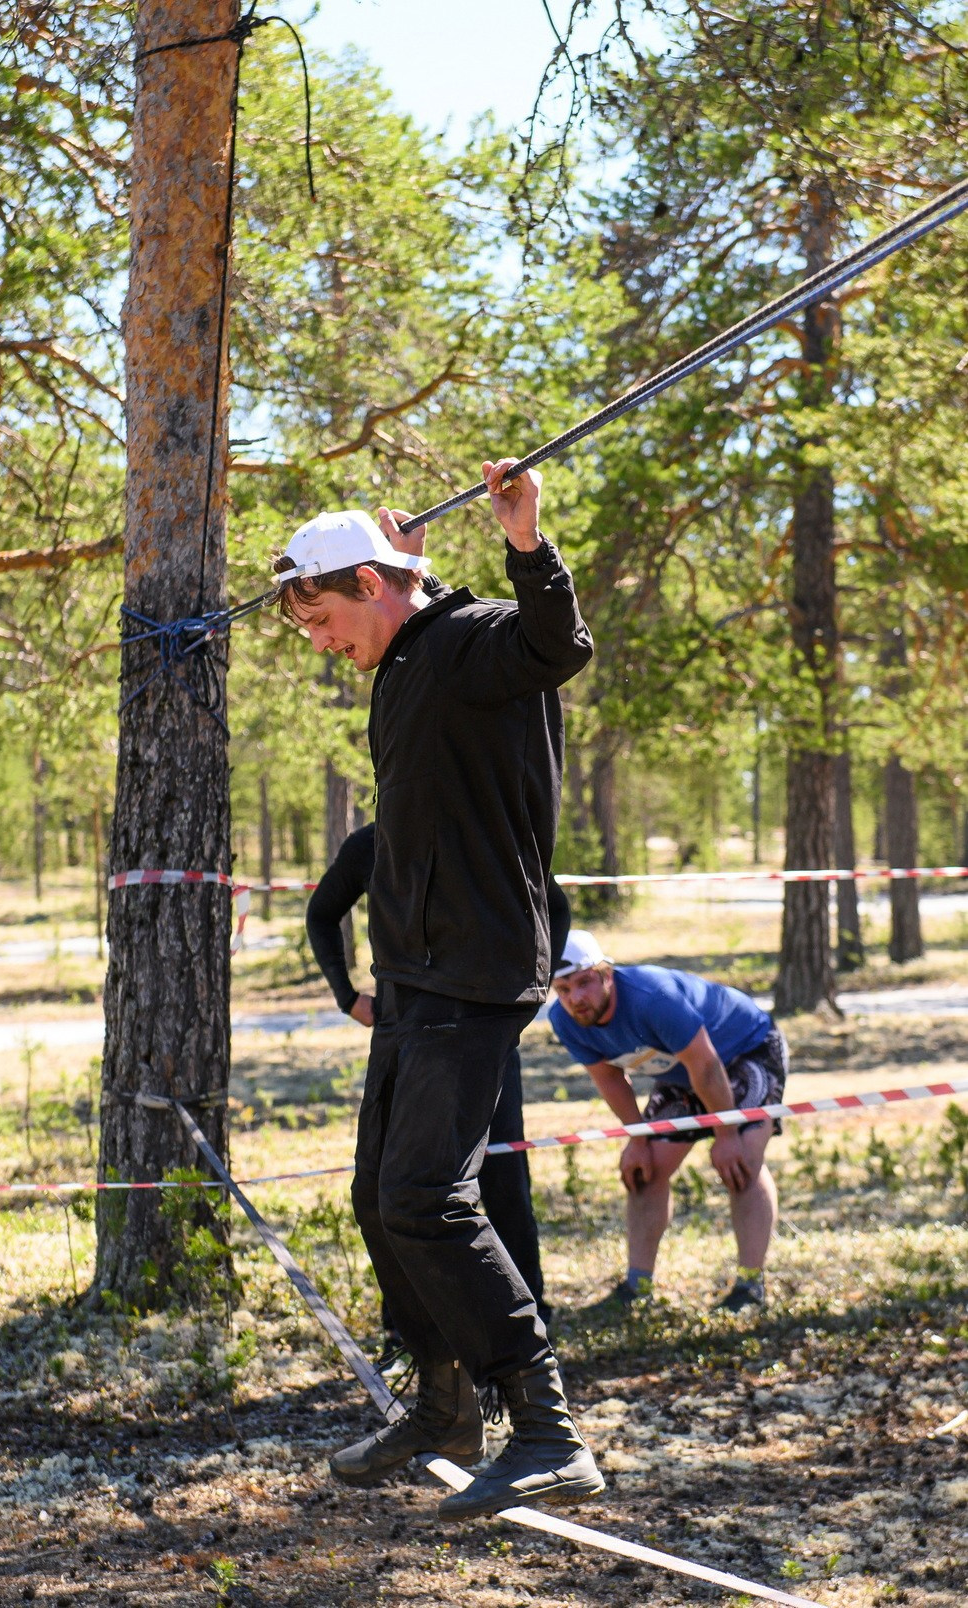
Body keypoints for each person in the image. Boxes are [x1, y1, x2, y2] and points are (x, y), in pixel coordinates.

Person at [272, 460, 602, 1520]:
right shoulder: (408, 658)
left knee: (427, 1196)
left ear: (369, 585)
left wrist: (525, 540)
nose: (319, 643)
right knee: (382, 1199)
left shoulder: (469, 641)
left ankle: (548, 1432)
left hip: (478, 963)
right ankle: (445, 1403)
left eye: (322, 616)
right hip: (416, 971)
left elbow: (555, 646)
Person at [306, 820, 571, 1336]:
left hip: (487, 1032)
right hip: (403, 1038)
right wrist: (346, 996)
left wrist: (529, 992)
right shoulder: (371, 844)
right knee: (392, 1181)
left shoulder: (491, 829)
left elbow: (555, 909)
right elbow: (321, 914)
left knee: (503, 1178)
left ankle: (528, 1316)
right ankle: (409, 1324)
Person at [548, 930, 790, 1318]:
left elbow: (707, 1065)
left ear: (607, 974)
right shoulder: (565, 1020)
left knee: (739, 1161)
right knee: (646, 1170)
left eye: (584, 982)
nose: (576, 998)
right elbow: (610, 1079)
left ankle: (750, 1285)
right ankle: (636, 1286)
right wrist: (637, 1138)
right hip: (685, 1071)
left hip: (745, 1050)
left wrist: (726, 1133)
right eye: (563, 988)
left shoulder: (652, 997)